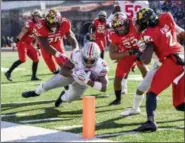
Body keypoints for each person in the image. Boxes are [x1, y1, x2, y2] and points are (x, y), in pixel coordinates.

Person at [132, 8, 184, 132]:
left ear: (146, 21)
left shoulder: (148, 33)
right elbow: (180, 33)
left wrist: (138, 54)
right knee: (179, 105)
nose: (137, 24)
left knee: (151, 93)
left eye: (139, 21)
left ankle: (151, 122)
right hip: (181, 56)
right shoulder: (166, 18)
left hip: (172, 62)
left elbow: (147, 59)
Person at [21, 42, 109, 107]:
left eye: (92, 60)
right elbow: (63, 70)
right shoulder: (77, 55)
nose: (89, 62)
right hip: (70, 76)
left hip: (83, 83)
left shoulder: (101, 65)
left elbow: (104, 87)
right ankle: (36, 92)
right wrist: (74, 74)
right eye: (86, 59)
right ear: (82, 55)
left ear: (97, 58)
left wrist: (88, 81)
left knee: (70, 98)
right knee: (50, 84)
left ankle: (62, 97)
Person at [107, 0, 149, 95]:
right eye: (117, 27)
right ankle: (123, 87)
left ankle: (150, 92)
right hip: (125, 42)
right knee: (123, 67)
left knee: (142, 65)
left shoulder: (135, 22)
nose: (119, 28)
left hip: (136, 34)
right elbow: (116, 11)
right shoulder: (115, 32)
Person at [34, 9, 78, 74]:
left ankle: (68, 80)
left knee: (64, 63)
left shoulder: (65, 23)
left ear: (60, 21)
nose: (52, 27)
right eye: (50, 24)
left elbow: (71, 38)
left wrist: (76, 50)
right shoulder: (40, 25)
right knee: (52, 67)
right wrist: (59, 55)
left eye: (55, 24)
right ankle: (58, 76)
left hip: (57, 42)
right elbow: (46, 45)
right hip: (46, 46)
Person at [5, 10, 42, 81]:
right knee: (22, 60)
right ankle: (8, 72)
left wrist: (37, 47)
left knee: (36, 58)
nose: (37, 18)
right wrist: (16, 41)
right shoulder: (29, 23)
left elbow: (37, 36)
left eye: (38, 16)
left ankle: (33, 76)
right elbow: (23, 32)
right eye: (35, 16)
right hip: (22, 43)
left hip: (29, 44)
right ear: (33, 17)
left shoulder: (40, 25)